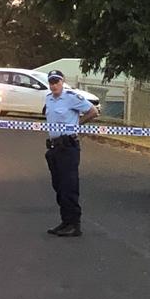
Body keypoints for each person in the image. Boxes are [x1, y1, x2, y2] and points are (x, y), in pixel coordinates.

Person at [44, 70, 99, 237]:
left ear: (63, 82)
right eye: (51, 82)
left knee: (69, 186)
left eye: (57, 82)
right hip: (54, 147)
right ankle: (65, 221)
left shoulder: (71, 97)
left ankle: (74, 224)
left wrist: (76, 126)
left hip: (68, 147)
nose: (54, 85)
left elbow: (93, 111)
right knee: (58, 186)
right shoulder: (48, 99)